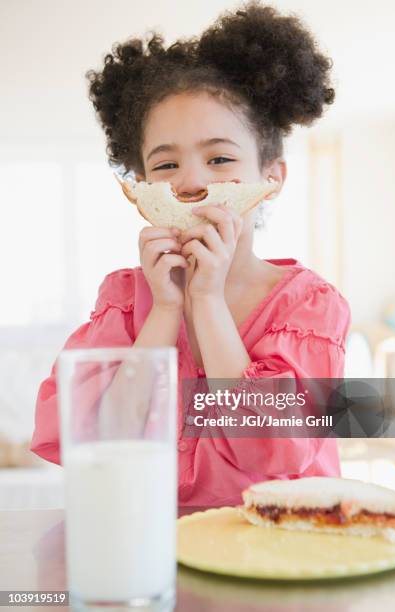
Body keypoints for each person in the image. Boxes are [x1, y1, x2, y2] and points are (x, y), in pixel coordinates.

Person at [31, 1, 351, 506]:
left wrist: (207, 300)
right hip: (150, 540)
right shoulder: (124, 298)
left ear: (271, 179)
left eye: (220, 158)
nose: (191, 182)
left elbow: (273, 448)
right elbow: (104, 437)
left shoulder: (310, 306)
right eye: (166, 164)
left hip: (276, 548)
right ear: (138, 190)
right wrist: (165, 308)